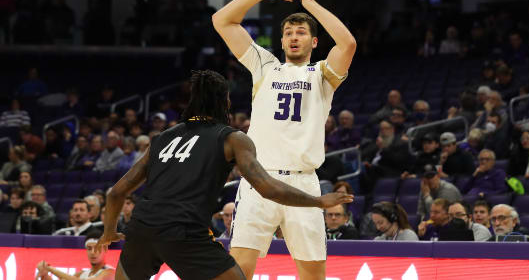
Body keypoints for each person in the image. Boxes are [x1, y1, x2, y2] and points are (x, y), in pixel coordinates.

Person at [96, 70, 352, 280]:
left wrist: (109, 231)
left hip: (142, 228)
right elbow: (267, 187)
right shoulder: (232, 138)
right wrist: (317, 201)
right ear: (223, 102)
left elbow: (117, 192)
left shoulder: (162, 138)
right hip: (184, 230)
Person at [212, 0, 356, 280]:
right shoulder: (265, 66)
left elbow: (347, 44)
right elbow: (221, 20)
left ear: (314, 42)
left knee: (313, 274)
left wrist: (308, 3)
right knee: (237, 271)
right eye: (288, 32)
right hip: (258, 180)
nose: (293, 37)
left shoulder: (322, 75)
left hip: (303, 181)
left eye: (301, 32)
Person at [35, 231, 115, 279]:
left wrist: (51, 269)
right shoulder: (81, 274)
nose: (93, 252)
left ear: (105, 249)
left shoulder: (110, 272)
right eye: (89, 248)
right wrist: (44, 274)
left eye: (97, 248)